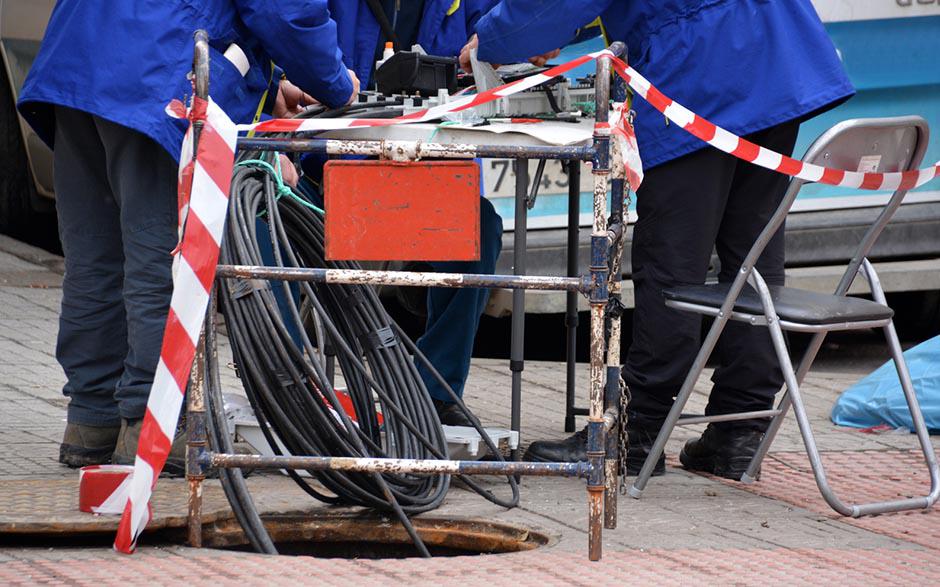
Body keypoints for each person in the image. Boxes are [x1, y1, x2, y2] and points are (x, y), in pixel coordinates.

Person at [462, 0, 854, 478]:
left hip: (702, 70)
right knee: (751, 256)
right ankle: (739, 430)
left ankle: (635, 429)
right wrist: (555, 34)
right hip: (770, 53)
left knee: (673, 263)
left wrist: (493, 40)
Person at [17, 0, 359, 473]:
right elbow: (286, 11)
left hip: (80, 63)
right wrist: (336, 83)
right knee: (159, 259)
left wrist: (269, 82)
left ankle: (92, 420)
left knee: (95, 258)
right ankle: (154, 424)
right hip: (154, 75)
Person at [314, 0, 501, 426]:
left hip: (429, 170)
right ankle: (286, 383)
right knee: (264, 215)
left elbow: (499, 33)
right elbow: (293, 36)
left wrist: (503, 51)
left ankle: (434, 393)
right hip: (332, 169)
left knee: (481, 227)